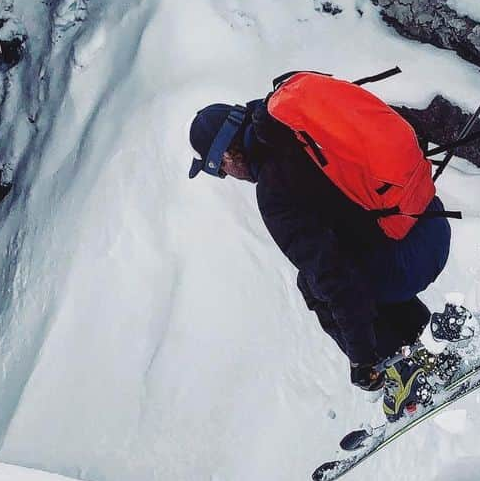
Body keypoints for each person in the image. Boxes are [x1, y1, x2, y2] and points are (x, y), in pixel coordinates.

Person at [188, 98, 459, 420]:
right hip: (430, 222)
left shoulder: (276, 192)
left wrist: (364, 359)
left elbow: (335, 279)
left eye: (219, 168)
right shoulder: (301, 129)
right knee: (353, 259)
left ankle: (400, 373)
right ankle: (431, 349)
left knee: (317, 286)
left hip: (408, 259)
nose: (226, 174)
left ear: (230, 152)